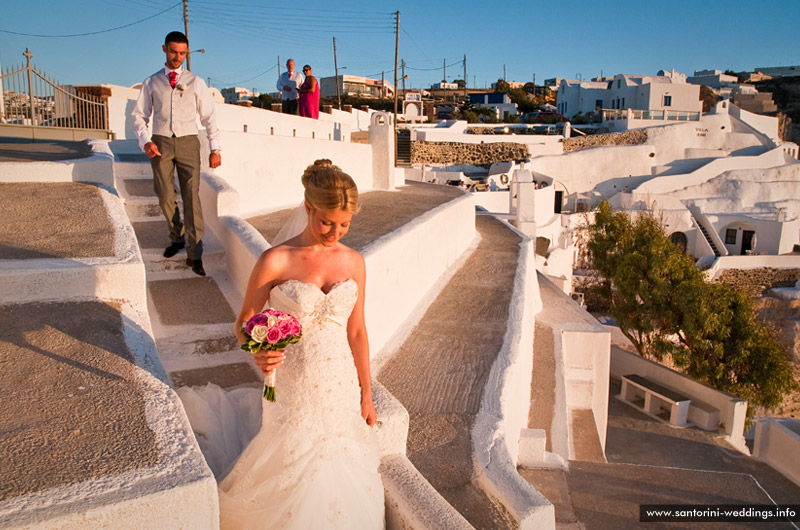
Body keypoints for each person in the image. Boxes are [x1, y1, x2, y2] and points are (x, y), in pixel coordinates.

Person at [177, 160, 384, 529]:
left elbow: (357, 331)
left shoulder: (354, 262)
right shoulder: (276, 260)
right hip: (291, 383)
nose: (334, 232)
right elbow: (244, 322)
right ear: (308, 208)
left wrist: (366, 394)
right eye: (326, 222)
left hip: (339, 383)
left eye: (344, 224)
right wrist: (259, 350)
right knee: (291, 457)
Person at [131, 31, 221, 277]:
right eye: (173, 52)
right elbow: (139, 115)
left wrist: (215, 148)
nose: (177, 57)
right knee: (164, 194)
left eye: (182, 53)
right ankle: (177, 236)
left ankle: (195, 252)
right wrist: (145, 141)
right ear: (164, 49)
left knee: (191, 196)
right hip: (160, 142)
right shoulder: (151, 82)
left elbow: (209, 116)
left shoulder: (196, 82)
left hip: (188, 142)